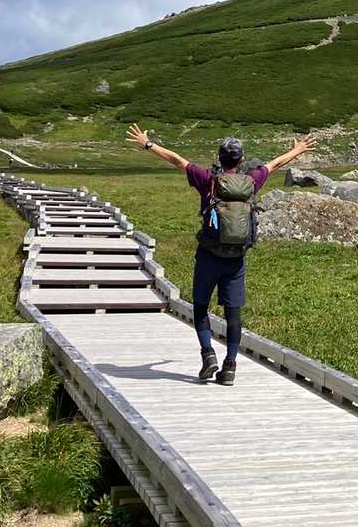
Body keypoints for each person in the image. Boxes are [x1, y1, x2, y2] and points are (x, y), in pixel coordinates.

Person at [125, 123, 316, 385]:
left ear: (219, 158)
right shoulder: (252, 181)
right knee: (233, 313)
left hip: (208, 256)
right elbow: (275, 164)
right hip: (235, 260)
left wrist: (148, 144)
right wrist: (297, 149)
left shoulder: (208, 179)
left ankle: (208, 355)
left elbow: (177, 160)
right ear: (242, 160)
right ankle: (230, 367)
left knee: (201, 307)